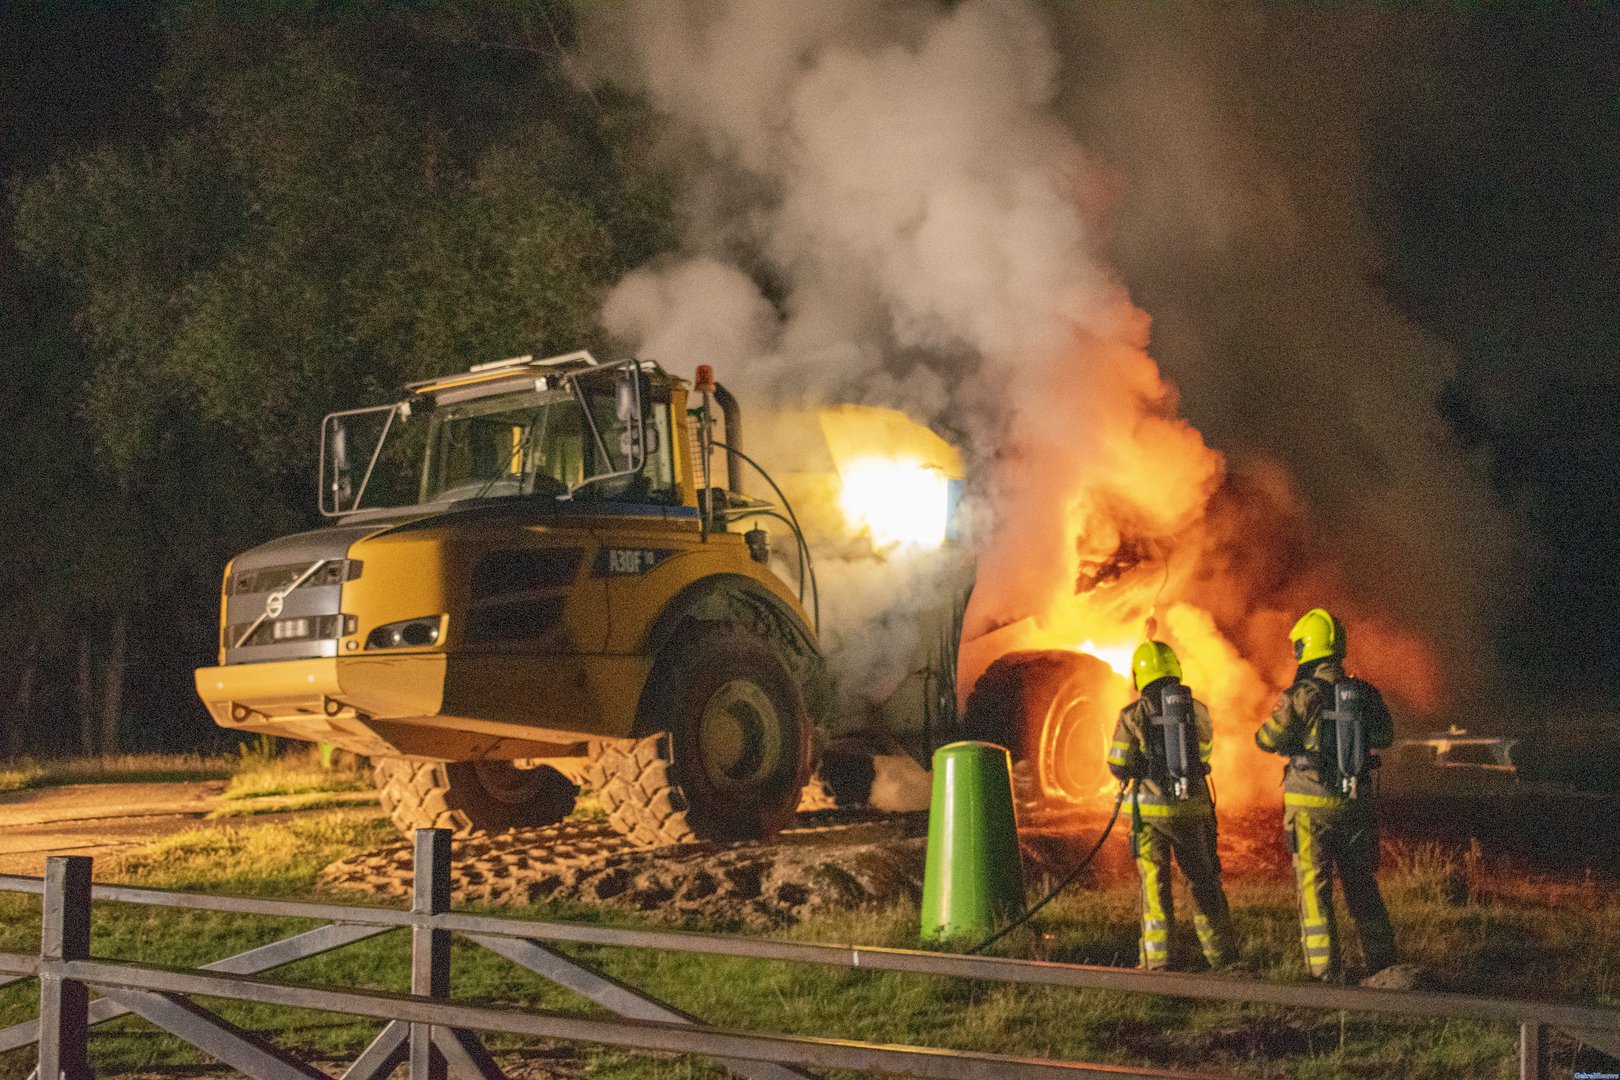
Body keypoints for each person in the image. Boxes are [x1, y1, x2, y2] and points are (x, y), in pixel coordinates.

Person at [1256, 607, 1396, 982]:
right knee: (1362, 886)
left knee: (1314, 889)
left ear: (1306, 648)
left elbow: (1268, 739)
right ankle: (1384, 965)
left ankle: (1324, 971)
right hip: (1355, 804)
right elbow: (1385, 736)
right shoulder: (1364, 693)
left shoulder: (1301, 695)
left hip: (1309, 809)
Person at [1108, 640, 1238, 971]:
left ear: (1140, 676)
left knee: (1155, 887)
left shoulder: (1132, 714)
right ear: (1174, 669)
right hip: (1193, 812)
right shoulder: (1196, 710)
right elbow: (1206, 752)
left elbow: (1118, 763)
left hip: (1151, 818)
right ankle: (1223, 959)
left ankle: (1157, 961)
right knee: (1204, 883)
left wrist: (1141, 764)